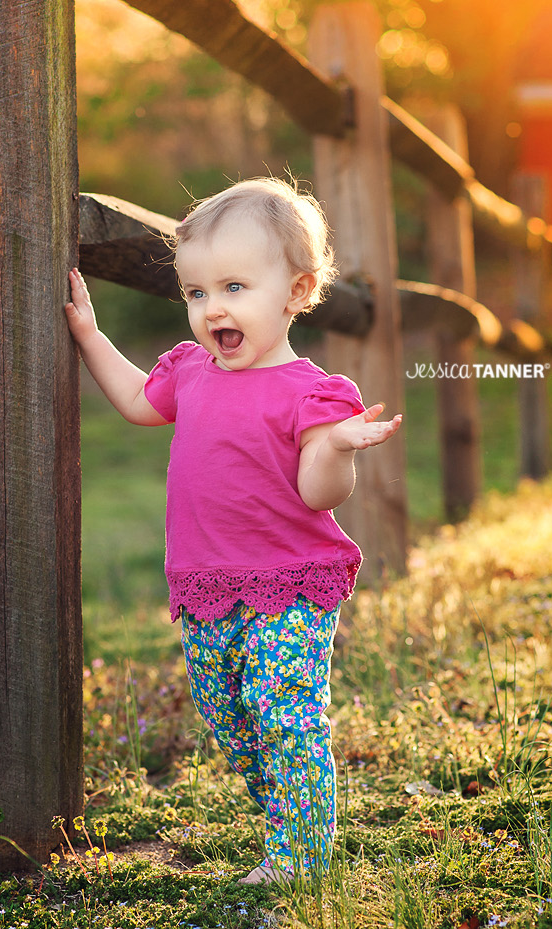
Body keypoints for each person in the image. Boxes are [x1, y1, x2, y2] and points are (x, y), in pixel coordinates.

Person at [65, 177, 402, 884]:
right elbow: (133, 400)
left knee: (282, 712)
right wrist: (92, 337)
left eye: (235, 287)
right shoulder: (189, 372)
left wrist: (337, 447)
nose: (213, 307)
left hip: (290, 583)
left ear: (296, 291)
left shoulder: (314, 393)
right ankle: (283, 812)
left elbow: (317, 492)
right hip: (207, 584)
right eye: (196, 292)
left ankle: (300, 853)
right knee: (232, 723)